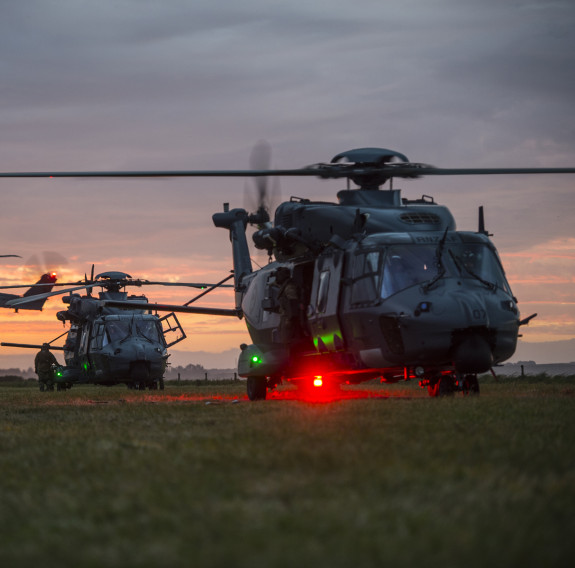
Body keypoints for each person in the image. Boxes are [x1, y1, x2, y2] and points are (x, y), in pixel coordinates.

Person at [274, 267, 303, 344]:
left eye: (278, 276)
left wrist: (289, 319)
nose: (277, 278)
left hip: (288, 318)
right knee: (282, 338)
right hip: (285, 317)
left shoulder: (289, 287)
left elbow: (293, 303)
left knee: (286, 340)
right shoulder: (285, 286)